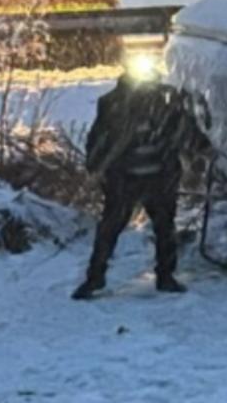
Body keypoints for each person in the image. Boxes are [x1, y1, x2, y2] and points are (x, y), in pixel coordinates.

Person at [72, 69, 208, 300]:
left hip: (160, 176)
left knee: (165, 227)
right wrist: (96, 166)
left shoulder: (167, 106)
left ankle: (165, 276)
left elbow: (186, 132)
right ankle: (95, 277)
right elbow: (99, 137)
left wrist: (203, 149)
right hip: (124, 178)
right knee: (110, 228)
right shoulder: (113, 105)